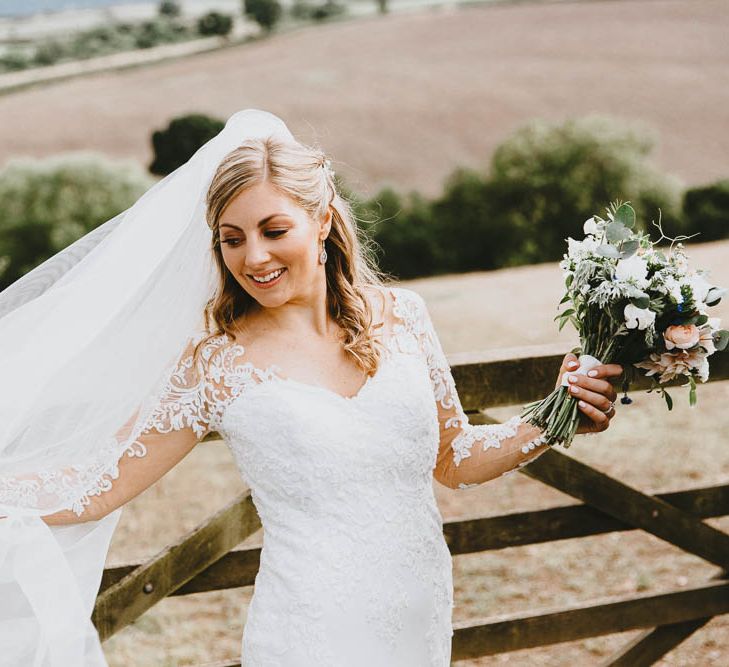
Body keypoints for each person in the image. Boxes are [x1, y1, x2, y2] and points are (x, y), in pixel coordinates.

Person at [0, 109, 621, 666]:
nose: (254, 257)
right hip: (307, 632)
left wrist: (551, 416)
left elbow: (455, 460)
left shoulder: (402, 316)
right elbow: (97, 486)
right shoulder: (216, 363)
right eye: (232, 238)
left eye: (274, 230)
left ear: (321, 220)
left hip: (421, 616)